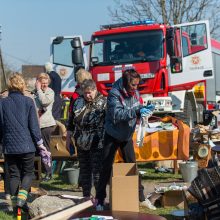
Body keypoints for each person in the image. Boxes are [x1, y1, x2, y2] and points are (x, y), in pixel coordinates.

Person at [95, 69, 156, 210]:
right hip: (112, 134)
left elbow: (136, 106)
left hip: (127, 135)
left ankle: (141, 198)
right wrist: (136, 111)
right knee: (105, 166)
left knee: (132, 165)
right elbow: (116, 115)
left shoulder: (135, 91)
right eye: (133, 85)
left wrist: (143, 109)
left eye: (137, 85)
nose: (136, 88)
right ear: (125, 83)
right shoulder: (114, 94)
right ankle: (99, 200)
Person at [0, 73, 45, 211]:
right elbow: (34, 126)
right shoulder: (28, 101)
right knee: (28, 173)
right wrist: (40, 143)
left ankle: (15, 205)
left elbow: (1, 125)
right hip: (27, 145)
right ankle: (21, 198)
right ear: (22, 86)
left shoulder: (2, 103)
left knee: (13, 174)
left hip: (9, 146)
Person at [70, 79, 106, 199]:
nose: (87, 95)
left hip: (98, 142)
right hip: (81, 142)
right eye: (85, 93)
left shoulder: (104, 102)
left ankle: (100, 199)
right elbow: (70, 122)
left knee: (97, 173)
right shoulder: (77, 102)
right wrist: (68, 138)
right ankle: (86, 198)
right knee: (85, 172)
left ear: (95, 90)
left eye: (90, 92)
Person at [34, 73, 56, 181]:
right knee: (35, 150)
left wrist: (39, 90)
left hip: (46, 125)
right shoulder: (34, 93)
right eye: (42, 83)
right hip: (35, 125)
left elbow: (44, 102)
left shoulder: (50, 92)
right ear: (37, 82)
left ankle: (48, 172)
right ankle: (37, 173)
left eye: (46, 83)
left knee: (45, 149)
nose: (44, 85)